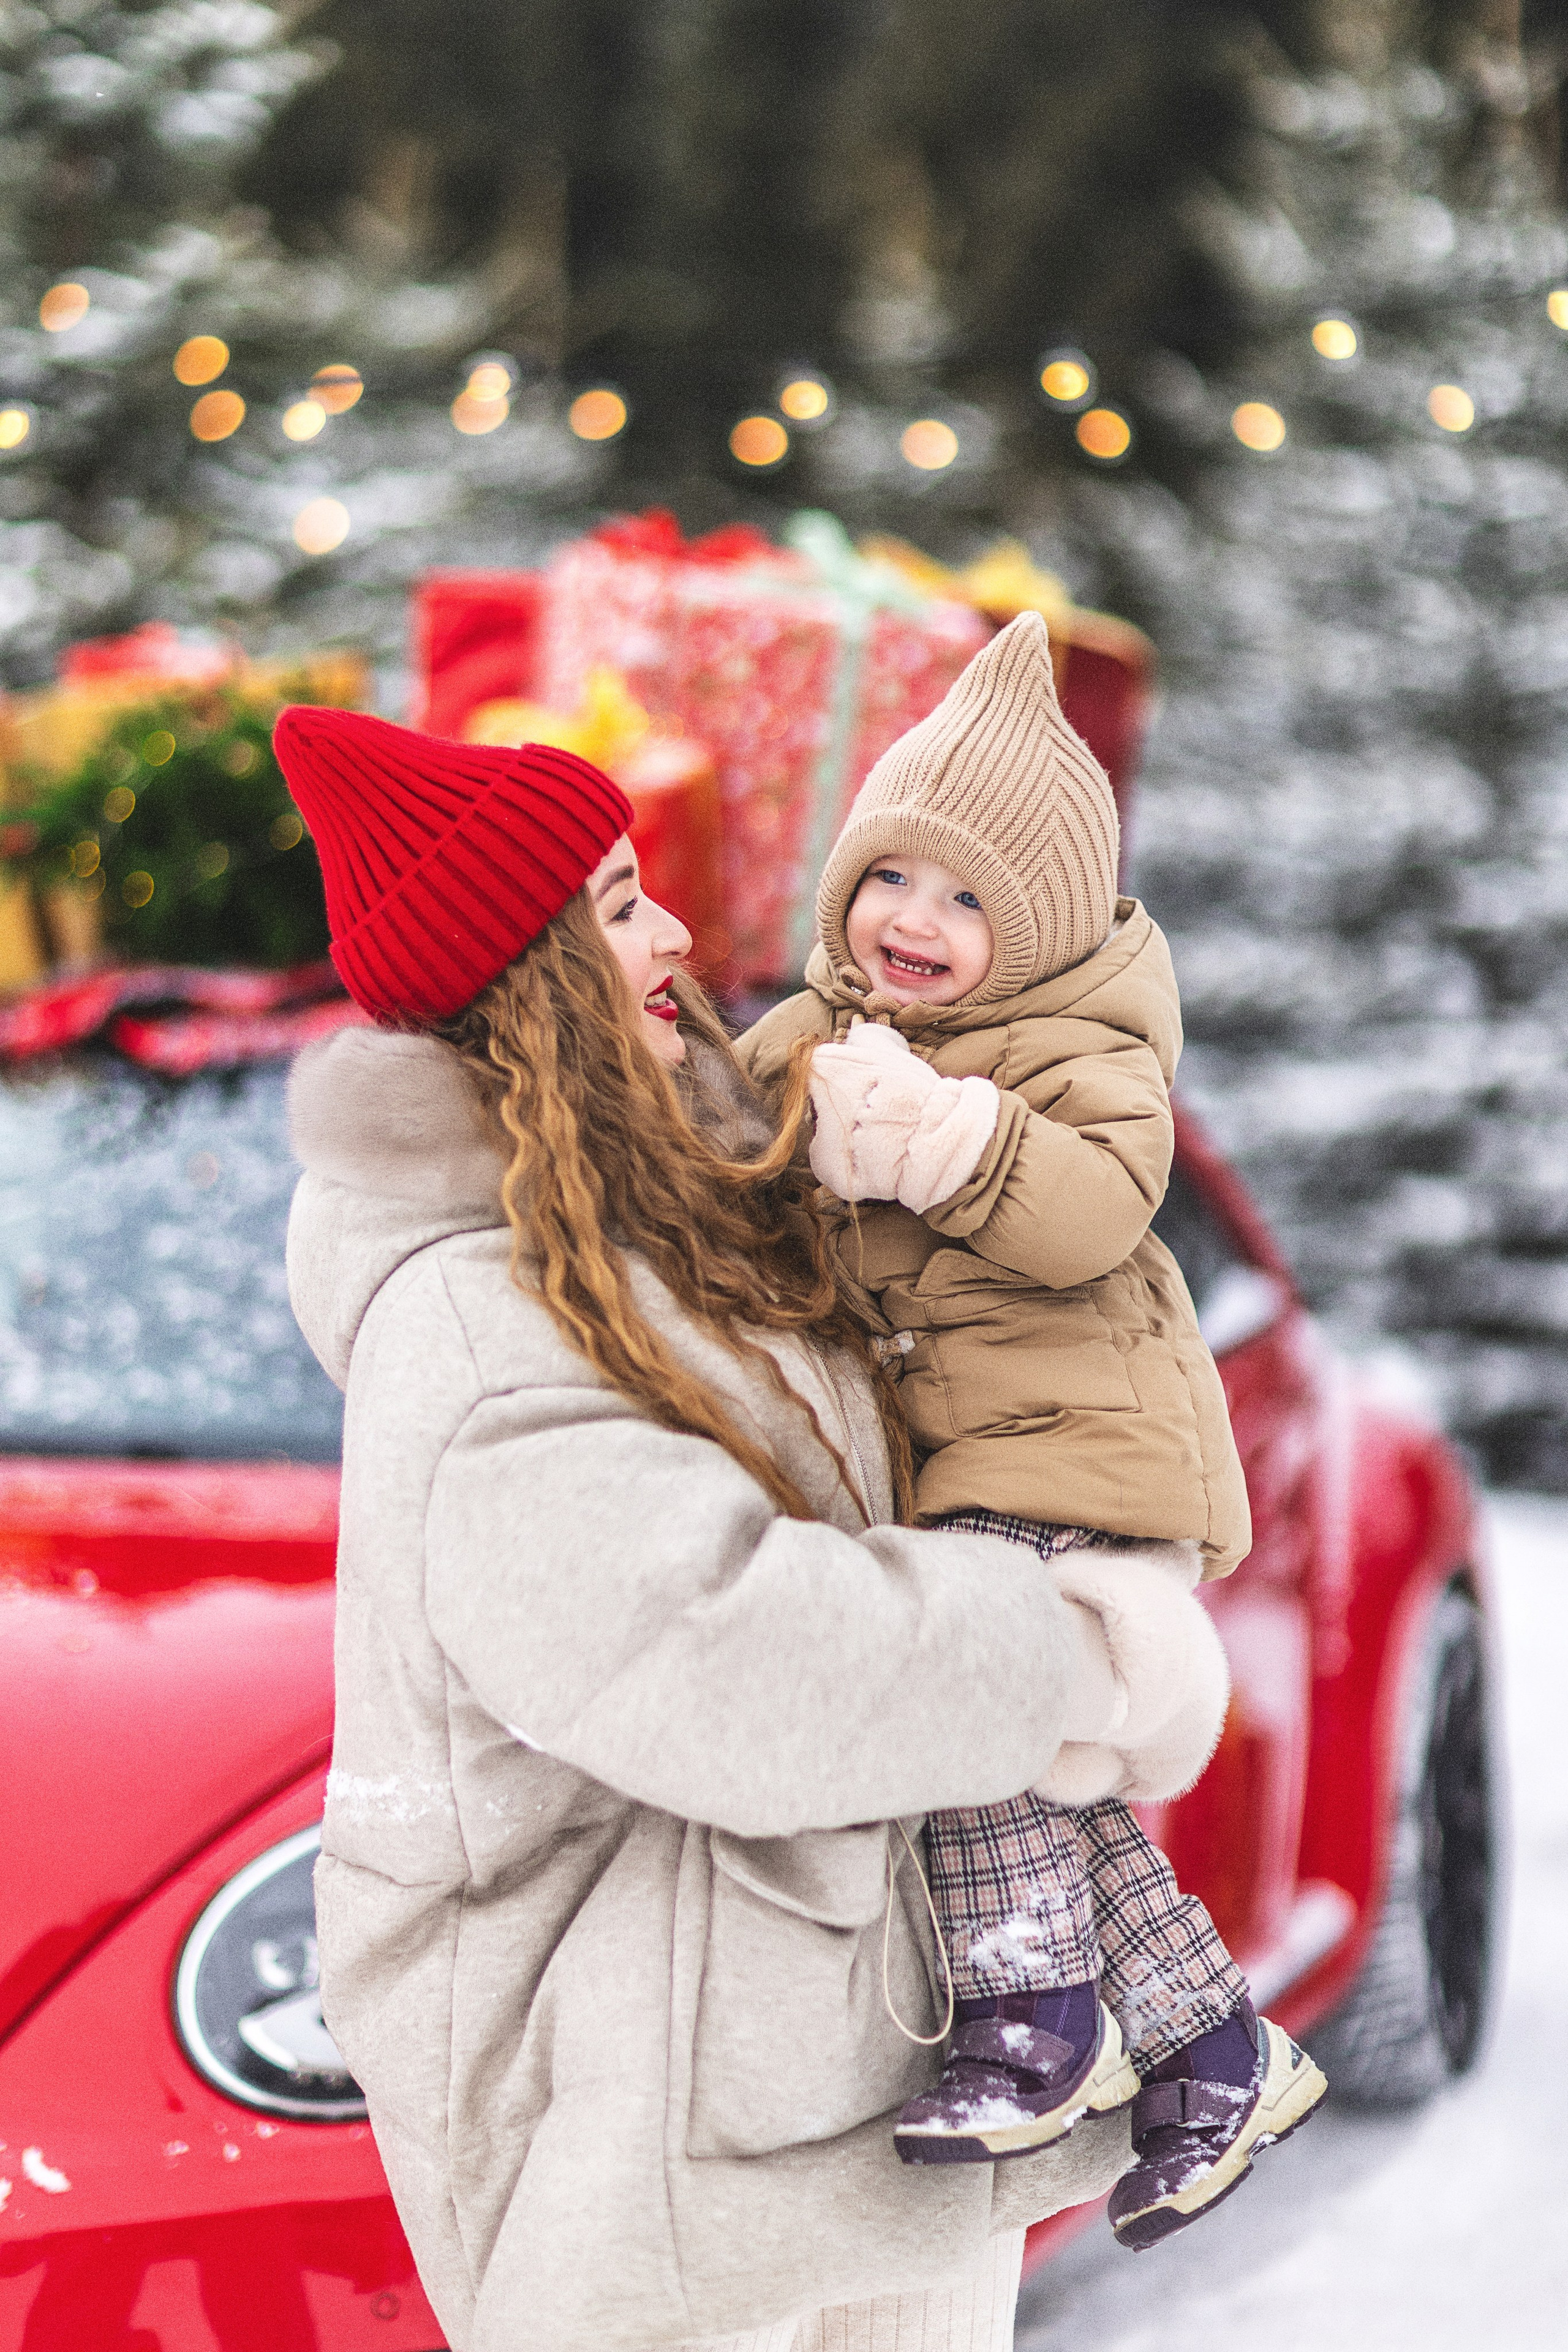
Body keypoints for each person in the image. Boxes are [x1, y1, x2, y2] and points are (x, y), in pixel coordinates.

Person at [271, 706, 1230, 2352]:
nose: (674, 934)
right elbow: (724, 1655)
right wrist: (1079, 1652)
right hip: (655, 2167)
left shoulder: (680, 1225)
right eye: (622, 902)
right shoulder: (480, 1321)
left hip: (827, 2093)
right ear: (532, 970)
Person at [736, 614, 1327, 2252]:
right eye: (892, 879)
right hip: (969, 1461)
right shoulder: (815, 1032)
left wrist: (942, 1138)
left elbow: (1084, 1218)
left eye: (971, 897)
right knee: (1051, 1780)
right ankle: (1214, 2043)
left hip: (1079, 1447)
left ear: (1046, 925)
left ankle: (1033, 2017)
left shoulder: (1086, 1050)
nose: (915, 921)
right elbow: (716, 1158)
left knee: (966, 1667)